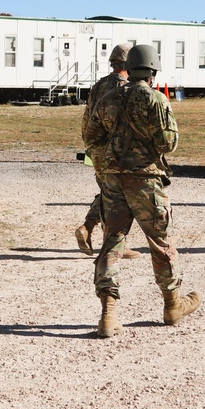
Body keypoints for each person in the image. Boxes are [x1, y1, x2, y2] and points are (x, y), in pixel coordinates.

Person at [82, 44, 201, 337]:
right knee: (160, 242)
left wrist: (109, 160)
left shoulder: (108, 97)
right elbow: (168, 144)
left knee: (112, 241)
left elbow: (91, 137)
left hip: (112, 179)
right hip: (145, 179)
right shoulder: (156, 100)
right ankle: (172, 305)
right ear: (153, 70)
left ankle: (108, 315)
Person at [75, 43, 140, 259]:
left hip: (96, 148)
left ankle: (87, 228)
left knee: (108, 192)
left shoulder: (99, 85)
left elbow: (87, 118)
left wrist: (90, 146)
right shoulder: (125, 88)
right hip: (115, 151)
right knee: (120, 197)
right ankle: (115, 243)